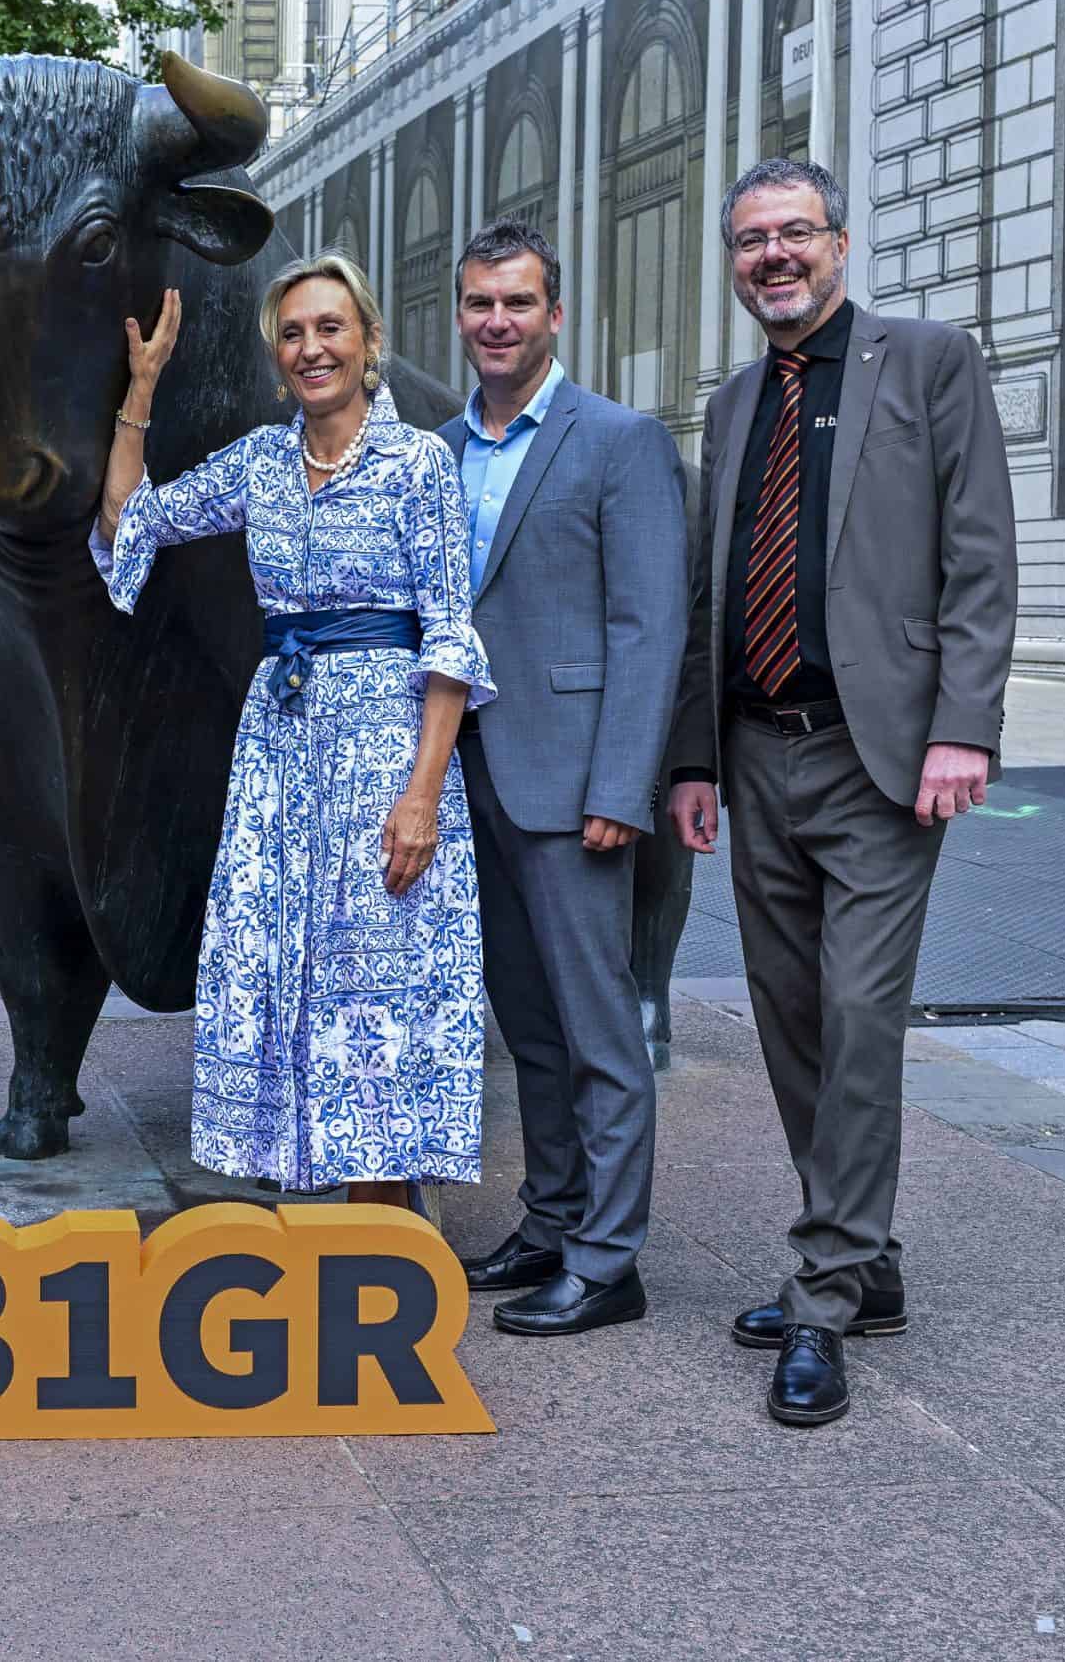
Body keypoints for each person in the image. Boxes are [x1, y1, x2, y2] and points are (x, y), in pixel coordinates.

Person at [667, 158, 1017, 1426]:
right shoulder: (735, 398)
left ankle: (820, 1298)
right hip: (758, 751)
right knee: (793, 1019)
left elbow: (978, 554)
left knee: (861, 1018)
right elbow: (714, 586)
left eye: (793, 234)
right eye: (750, 239)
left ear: (839, 243)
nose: (773, 256)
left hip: (882, 754)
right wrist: (694, 757)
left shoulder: (925, 362)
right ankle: (863, 1267)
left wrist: (962, 729)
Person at [94, 254, 493, 1205]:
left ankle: (387, 1234)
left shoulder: (419, 463)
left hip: (385, 753)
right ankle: (330, 1217)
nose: (312, 348)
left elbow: (448, 636)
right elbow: (132, 520)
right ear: (279, 358)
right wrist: (141, 390)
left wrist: (423, 798)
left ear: (369, 344)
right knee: (286, 967)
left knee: (381, 978)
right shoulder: (262, 460)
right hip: (281, 753)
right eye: (293, 333)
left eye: (331, 328)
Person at [433, 220, 686, 1336]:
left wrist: (619, 787)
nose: (498, 321)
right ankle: (550, 1215)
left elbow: (648, 625)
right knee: (526, 1024)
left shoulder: (619, 439)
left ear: (556, 314)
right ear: (460, 315)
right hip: (467, 777)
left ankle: (607, 1257)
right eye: (481, 303)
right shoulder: (436, 449)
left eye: (518, 303)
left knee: (598, 1029)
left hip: (574, 779)